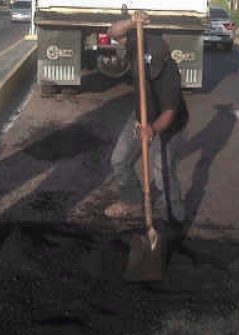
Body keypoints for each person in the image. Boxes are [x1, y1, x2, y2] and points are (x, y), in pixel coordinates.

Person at [105, 13, 187, 224]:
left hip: (169, 125)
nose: (149, 74)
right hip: (142, 115)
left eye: (153, 70)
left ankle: (174, 217)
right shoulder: (139, 44)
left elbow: (168, 114)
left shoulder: (170, 76)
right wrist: (132, 22)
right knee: (119, 160)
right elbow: (112, 32)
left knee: (162, 170)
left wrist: (151, 130)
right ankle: (132, 201)